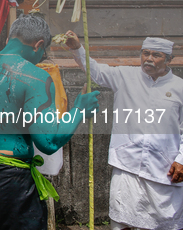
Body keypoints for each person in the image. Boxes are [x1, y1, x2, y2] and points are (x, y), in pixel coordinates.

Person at [0, 14, 100, 230]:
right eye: (43, 51)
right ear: (38, 45)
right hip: (9, 180)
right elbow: (48, 142)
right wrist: (78, 111)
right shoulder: (35, 77)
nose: (42, 57)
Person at [65, 33, 183, 230]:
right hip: (127, 164)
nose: (149, 59)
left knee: (165, 223)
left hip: (163, 168)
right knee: (122, 221)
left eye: (156, 55)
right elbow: (94, 71)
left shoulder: (179, 87)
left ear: (169, 60)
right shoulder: (125, 76)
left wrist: (182, 159)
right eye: (145, 53)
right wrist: (77, 48)